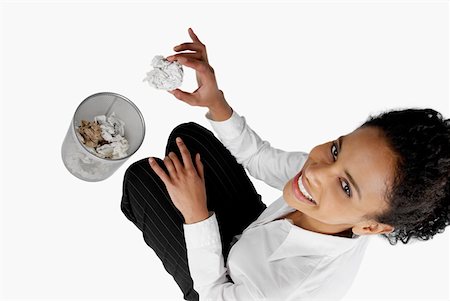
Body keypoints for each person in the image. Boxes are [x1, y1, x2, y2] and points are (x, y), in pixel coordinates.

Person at [120, 28, 450, 301]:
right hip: (250, 237)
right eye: (336, 150)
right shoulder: (325, 179)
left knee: (141, 178)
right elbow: (260, 158)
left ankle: (144, 207)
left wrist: (196, 217)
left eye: (346, 186)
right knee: (188, 136)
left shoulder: (294, 283)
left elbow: (213, 293)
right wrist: (215, 101)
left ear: (370, 227)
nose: (317, 172)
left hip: (223, 290)